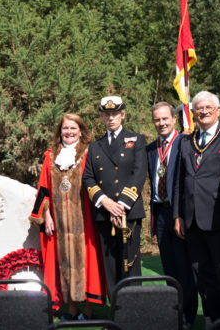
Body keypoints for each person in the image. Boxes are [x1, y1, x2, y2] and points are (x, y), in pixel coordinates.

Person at [30, 113, 106, 320]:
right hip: (60, 222)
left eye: (73, 128)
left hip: (85, 221)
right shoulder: (50, 156)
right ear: (60, 131)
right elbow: (43, 189)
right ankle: (72, 308)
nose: (69, 132)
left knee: (87, 262)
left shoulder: (90, 153)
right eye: (65, 128)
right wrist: (46, 216)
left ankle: (88, 309)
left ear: (81, 131)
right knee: (64, 263)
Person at [173, 91, 220, 327]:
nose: (204, 111)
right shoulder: (187, 141)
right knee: (202, 276)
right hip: (191, 221)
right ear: (193, 113)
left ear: (218, 110)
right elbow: (180, 179)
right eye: (199, 108)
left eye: (209, 107)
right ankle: (212, 320)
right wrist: (178, 215)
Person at [82, 96, 147, 299]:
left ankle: (134, 315)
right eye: (106, 114)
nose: (111, 118)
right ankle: (116, 317)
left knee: (130, 264)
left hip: (129, 213)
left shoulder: (136, 140)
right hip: (104, 214)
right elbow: (88, 178)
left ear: (123, 115)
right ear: (101, 117)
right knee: (110, 268)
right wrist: (106, 203)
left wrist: (120, 206)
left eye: (115, 114)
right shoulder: (95, 146)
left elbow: (139, 174)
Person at [146, 102, 197, 330]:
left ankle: (187, 315)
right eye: (157, 120)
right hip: (160, 212)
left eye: (165, 119)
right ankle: (172, 311)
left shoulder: (186, 142)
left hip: (180, 214)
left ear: (174, 119)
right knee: (168, 267)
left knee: (183, 266)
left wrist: (181, 215)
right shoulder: (150, 149)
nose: (161, 123)